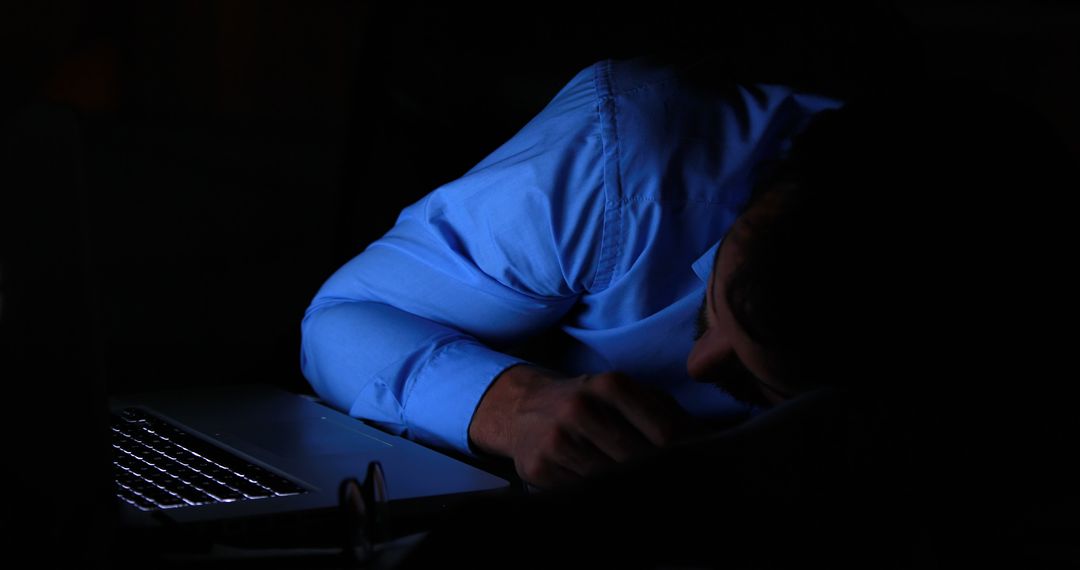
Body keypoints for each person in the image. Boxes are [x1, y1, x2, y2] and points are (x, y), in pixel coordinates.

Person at [300, 56, 844, 487]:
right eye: (715, 301)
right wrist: (515, 407)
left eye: (759, 380)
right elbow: (339, 321)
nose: (697, 364)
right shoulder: (619, 166)